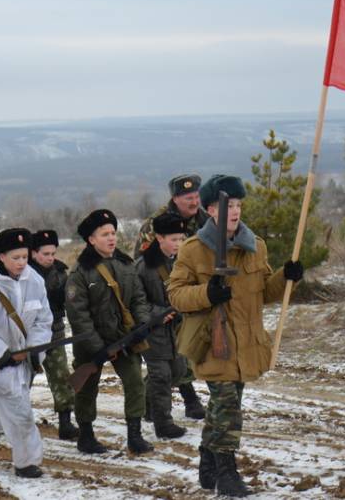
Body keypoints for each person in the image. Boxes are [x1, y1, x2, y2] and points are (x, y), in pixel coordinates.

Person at [168, 174, 304, 497]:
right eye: (226, 205)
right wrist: (207, 294)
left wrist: (288, 277)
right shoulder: (194, 250)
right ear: (211, 210)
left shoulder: (255, 247)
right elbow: (175, 295)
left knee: (223, 406)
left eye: (239, 204)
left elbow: (265, 292)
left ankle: (207, 455)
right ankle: (227, 474)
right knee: (228, 407)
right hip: (214, 342)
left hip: (246, 343)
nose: (234, 211)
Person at [66, 209, 154, 455]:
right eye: (104, 234)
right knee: (86, 388)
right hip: (91, 344)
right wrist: (99, 349)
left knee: (136, 382)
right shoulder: (79, 273)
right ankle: (85, 436)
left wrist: (141, 326)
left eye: (113, 233)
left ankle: (135, 436)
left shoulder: (126, 265)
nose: (111, 238)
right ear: (91, 240)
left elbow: (138, 298)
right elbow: (78, 316)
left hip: (124, 340)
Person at [0, 228, 52, 478]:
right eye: (16, 258)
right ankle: (26, 463)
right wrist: (1, 354)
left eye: (25, 257)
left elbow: (43, 320)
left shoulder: (34, 280)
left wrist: (33, 349)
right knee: (20, 413)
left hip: (24, 364)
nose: (22, 263)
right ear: (1, 256)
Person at [135, 213, 199, 439]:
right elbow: (137, 300)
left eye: (182, 239)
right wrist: (157, 315)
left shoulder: (181, 263)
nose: (179, 244)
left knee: (178, 371)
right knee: (161, 375)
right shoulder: (143, 266)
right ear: (159, 238)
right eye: (174, 239)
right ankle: (163, 423)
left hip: (177, 330)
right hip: (154, 330)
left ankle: (148, 406)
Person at [28, 229, 79, 440]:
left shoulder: (60, 272)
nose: (50, 258)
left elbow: (70, 301)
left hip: (55, 334)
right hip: (29, 338)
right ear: (33, 253)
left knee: (61, 378)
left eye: (52, 253)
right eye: (45, 254)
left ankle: (66, 423)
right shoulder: (25, 274)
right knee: (21, 381)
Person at [134, 174, 208, 258]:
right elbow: (141, 261)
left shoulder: (207, 220)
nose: (194, 203)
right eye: (189, 198)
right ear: (175, 199)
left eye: (197, 197)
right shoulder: (156, 223)